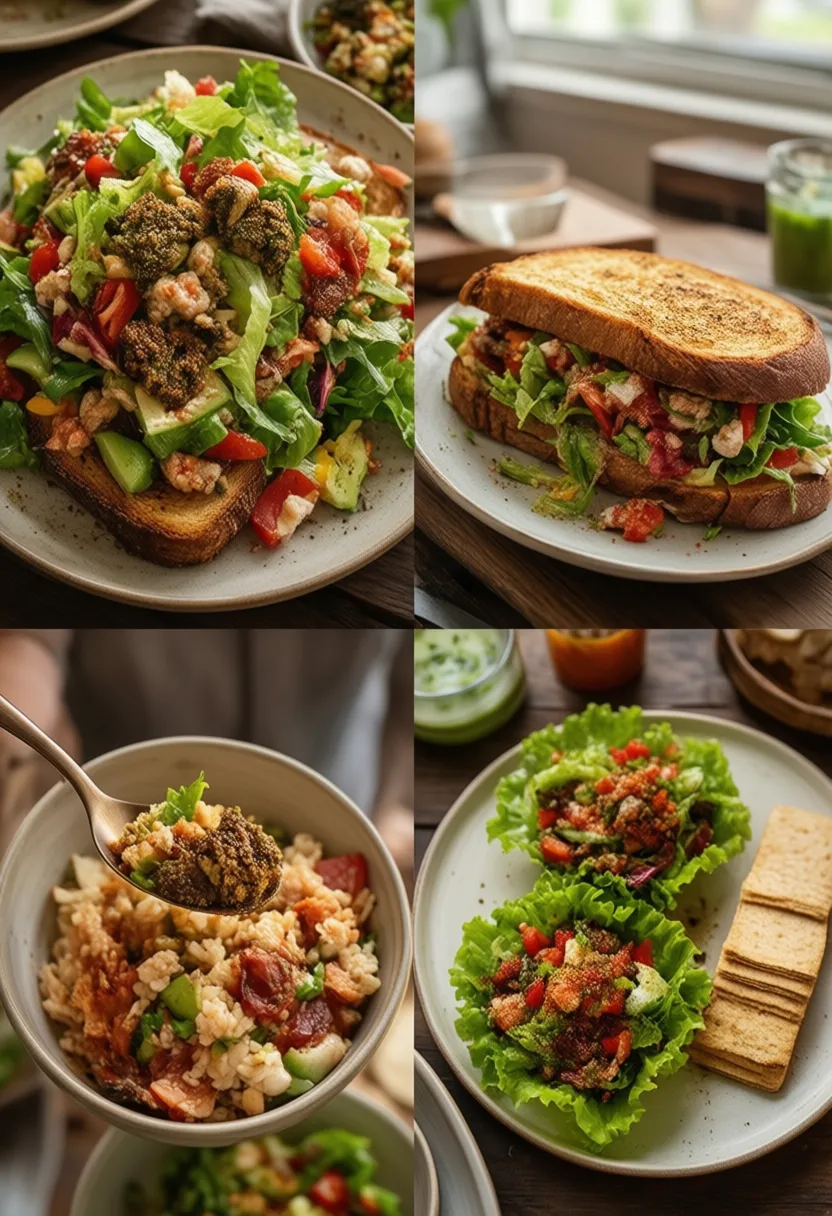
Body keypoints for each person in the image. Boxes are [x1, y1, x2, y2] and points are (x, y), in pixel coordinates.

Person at [0, 630, 413, 874]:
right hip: (108, 808)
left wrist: (389, 807)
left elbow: (412, 678)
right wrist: (12, 750)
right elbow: (28, 641)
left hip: (340, 800)